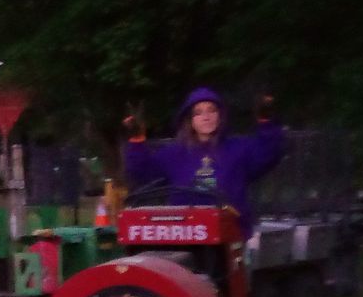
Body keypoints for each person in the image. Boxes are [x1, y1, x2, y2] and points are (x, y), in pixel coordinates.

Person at [122, 87, 285, 228]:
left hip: (231, 236)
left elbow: (269, 154)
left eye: (211, 110)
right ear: (190, 121)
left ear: (220, 116)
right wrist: (136, 141)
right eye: (198, 113)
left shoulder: (239, 148)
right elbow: (142, 172)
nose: (206, 117)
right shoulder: (174, 154)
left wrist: (267, 121)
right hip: (186, 236)